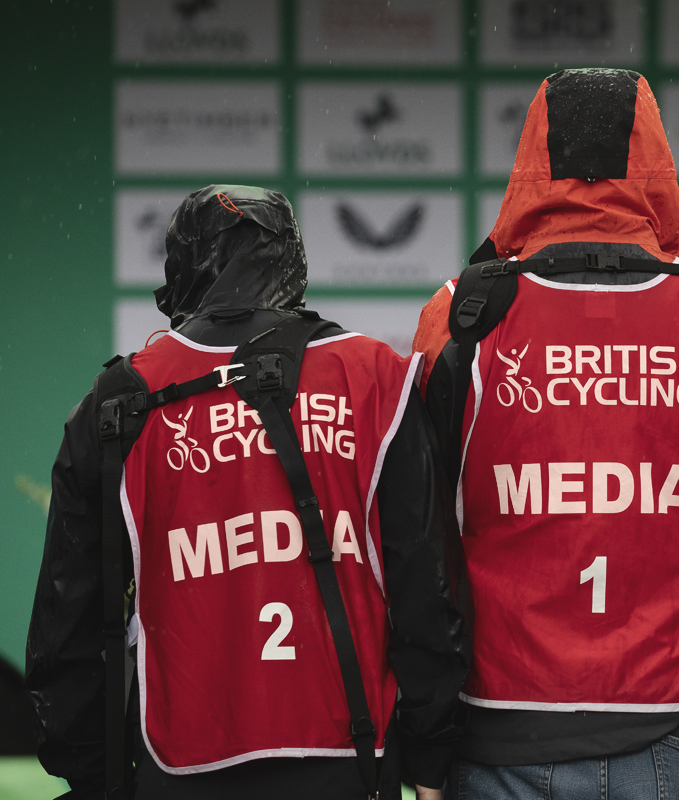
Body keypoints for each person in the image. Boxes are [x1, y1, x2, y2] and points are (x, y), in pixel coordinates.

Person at [26, 185, 470, 800]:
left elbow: (66, 620)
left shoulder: (117, 404)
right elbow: (423, 590)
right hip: (347, 763)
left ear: (183, 267)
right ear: (292, 264)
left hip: (179, 765)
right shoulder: (376, 379)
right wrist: (430, 757)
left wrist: (91, 772)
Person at [411, 68, 679, 799]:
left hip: (505, 725)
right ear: (655, 162)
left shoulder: (463, 311)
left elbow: (426, 531)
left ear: (530, 162)